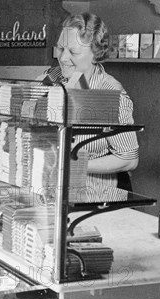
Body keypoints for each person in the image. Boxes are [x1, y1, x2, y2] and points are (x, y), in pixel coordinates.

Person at [46, 12, 139, 193]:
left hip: (95, 196)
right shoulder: (53, 76)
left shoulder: (110, 93)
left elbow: (129, 159)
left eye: (73, 52)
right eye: (60, 48)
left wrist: (71, 164)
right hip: (54, 191)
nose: (63, 58)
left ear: (96, 54)